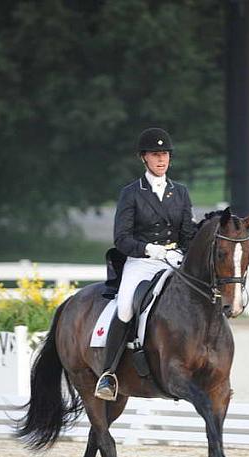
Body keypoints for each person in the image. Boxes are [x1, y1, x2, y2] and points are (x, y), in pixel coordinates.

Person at [95, 127, 196, 401]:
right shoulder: (132, 193)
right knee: (126, 307)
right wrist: (149, 249)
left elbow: (187, 233)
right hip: (141, 262)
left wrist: (183, 252)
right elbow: (121, 238)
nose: (161, 159)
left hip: (172, 262)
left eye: (164, 154)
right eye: (155, 154)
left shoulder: (181, 192)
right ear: (144, 158)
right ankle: (109, 374)